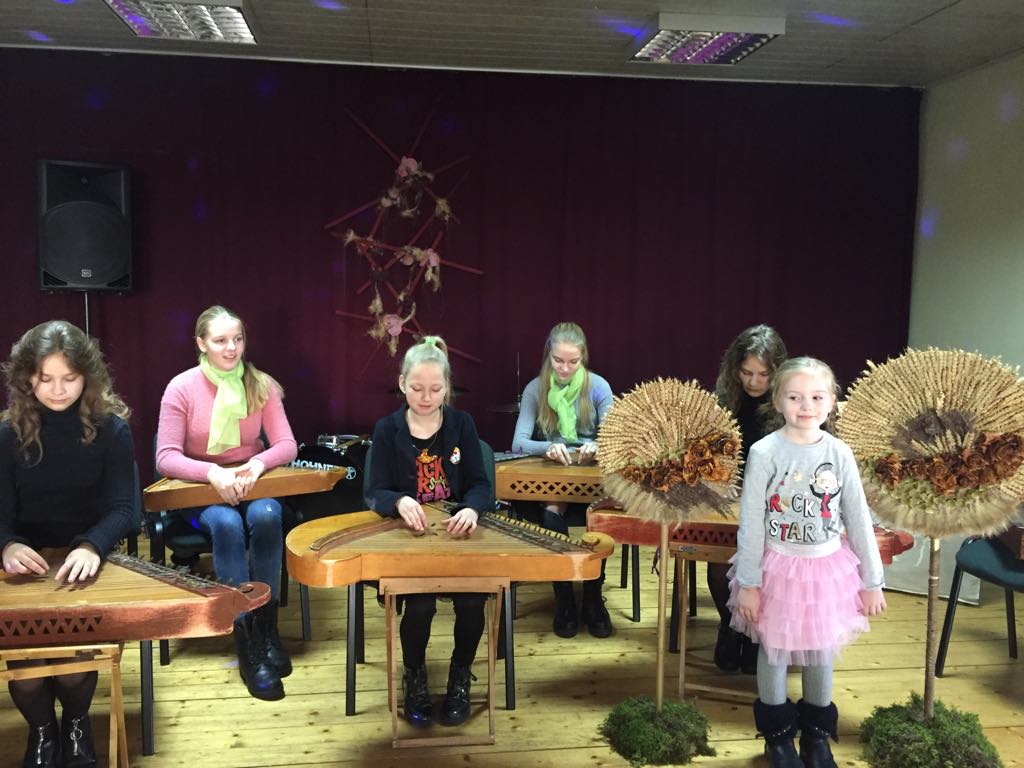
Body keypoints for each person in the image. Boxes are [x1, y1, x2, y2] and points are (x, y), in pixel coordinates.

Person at [728, 357, 886, 768]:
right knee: (774, 650)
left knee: (820, 649)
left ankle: (817, 738)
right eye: (795, 397)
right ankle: (778, 740)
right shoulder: (765, 452)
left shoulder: (839, 452)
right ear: (777, 400)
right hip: (777, 567)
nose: (806, 406)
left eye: (817, 397)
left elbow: (858, 517)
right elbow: (751, 521)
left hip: (827, 569)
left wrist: (872, 580)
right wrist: (749, 583)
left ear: (832, 401)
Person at [1, 320, 135, 768]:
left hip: (87, 561)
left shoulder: (112, 429)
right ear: (27, 378)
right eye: (46, 379)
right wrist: (7, 545)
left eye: (70, 378)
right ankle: (42, 731)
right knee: (27, 670)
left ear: (88, 377)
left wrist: (91, 546)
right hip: (26, 566)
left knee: (74, 665)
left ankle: (77, 727)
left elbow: (123, 509)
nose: (58, 390)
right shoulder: (7, 434)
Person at [156, 305, 297, 701]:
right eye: (220, 341)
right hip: (201, 489)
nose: (231, 348)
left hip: (249, 481)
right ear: (201, 344)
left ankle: (267, 627)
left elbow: (287, 444)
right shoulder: (181, 387)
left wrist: (258, 462)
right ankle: (247, 639)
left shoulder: (260, 384)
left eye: (238, 339)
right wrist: (213, 473)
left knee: (268, 513)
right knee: (226, 524)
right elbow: (165, 457)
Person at [364, 336, 492, 728]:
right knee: (419, 605)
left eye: (436, 389)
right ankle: (415, 675)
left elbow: (480, 484)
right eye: (417, 388)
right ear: (402, 383)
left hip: (456, 534)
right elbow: (374, 490)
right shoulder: (387, 429)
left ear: (447, 387)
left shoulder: (461, 425)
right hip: (410, 537)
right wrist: (399, 502)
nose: (426, 397)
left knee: (472, 602)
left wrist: (471, 507)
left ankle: (459, 676)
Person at [511, 322, 614, 638]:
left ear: (584, 358)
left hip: (591, 479)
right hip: (553, 476)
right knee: (553, 504)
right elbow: (518, 443)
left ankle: (593, 596)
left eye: (573, 361)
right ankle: (565, 598)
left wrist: (597, 446)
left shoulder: (598, 387)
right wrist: (547, 447)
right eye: (558, 360)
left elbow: (616, 440)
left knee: (599, 512)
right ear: (548, 356)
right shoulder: (536, 388)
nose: (565, 368)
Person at [710, 324, 788, 674]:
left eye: (763, 374)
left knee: (766, 568)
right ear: (734, 369)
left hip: (776, 502)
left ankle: (756, 634)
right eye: (746, 372)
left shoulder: (788, 403)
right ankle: (731, 626)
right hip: (729, 498)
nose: (754, 382)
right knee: (716, 561)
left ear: (777, 372)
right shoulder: (724, 400)